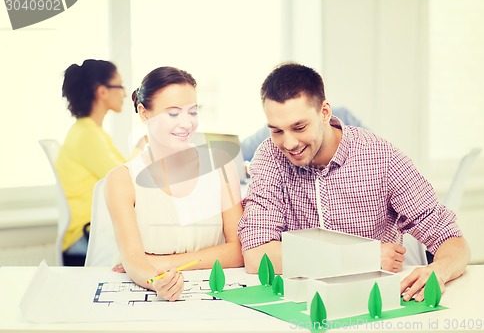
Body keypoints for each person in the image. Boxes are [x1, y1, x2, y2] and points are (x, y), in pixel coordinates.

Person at [238, 62, 470, 302]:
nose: (288, 143)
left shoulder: (380, 156)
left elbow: (453, 241)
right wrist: (362, 258)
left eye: (299, 127)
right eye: (277, 131)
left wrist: (438, 271)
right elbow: (257, 255)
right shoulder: (269, 156)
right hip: (298, 302)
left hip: (374, 302)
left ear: (325, 112)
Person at [105, 66, 244, 301]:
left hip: (217, 293)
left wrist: (163, 262)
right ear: (144, 113)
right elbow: (133, 260)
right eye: (173, 113)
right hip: (154, 296)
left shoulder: (221, 167)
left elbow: (238, 251)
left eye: (192, 112)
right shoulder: (121, 180)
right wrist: (156, 280)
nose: (187, 123)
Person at [56, 59, 130, 266]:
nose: (124, 93)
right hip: (84, 237)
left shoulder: (89, 131)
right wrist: (143, 146)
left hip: (85, 234)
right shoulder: (88, 136)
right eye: (120, 86)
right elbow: (126, 178)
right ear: (102, 91)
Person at [241, 107, 366, 162]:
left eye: (300, 128)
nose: (290, 144)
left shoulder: (343, 116)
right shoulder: (269, 131)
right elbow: (241, 151)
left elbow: (369, 147)